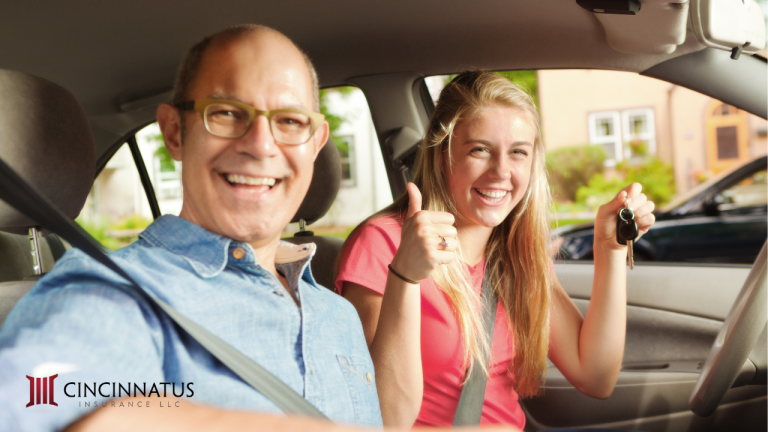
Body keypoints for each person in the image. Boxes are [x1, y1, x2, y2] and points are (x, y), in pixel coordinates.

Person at [0, 25, 383, 431]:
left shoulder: (338, 314)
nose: (261, 144)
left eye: (289, 121)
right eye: (227, 113)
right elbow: (28, 401)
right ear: (175, 132)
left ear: (316, 142)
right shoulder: (111, 290)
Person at [336, 71, 656, 429]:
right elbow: (378, 419)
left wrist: (608, 249)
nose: (501, 171)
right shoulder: (383, 244)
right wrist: (405, 276)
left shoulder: (515, 254)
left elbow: (595, 377)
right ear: (443, 155)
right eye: (480, 150)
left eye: (518, 153)